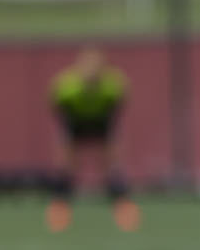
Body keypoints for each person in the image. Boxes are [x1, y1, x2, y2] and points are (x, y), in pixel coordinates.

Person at [47, 47, 138, 233]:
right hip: (75, 120)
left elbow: (117, 108)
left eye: (96, 67)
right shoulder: (67, 87)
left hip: (101, 120)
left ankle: (123, 209)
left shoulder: (112, 86)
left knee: (112, 162)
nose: (91, 71)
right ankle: (59, 210)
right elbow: (58, 108)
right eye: (87, 66)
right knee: (67, 163)